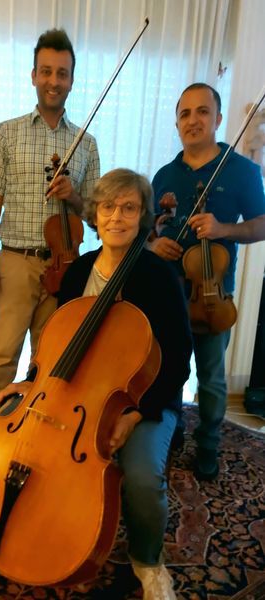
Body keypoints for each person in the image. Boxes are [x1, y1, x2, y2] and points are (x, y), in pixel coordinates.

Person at [0, 169, 192, 600]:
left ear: (142, 217)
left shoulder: (159, 276)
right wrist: (31, 382)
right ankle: (46, 525)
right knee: (24, 439)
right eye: (108, 207)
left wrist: (138, 413)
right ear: (95, 215)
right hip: (76, 391)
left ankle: (148, 561)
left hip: (142, 396)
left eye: (129, 208)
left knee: (142, 477)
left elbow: (179, 359)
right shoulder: (79, 271)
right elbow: (58, 340)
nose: (116, 217)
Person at [0, 28, 100, 419]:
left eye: (62, 73)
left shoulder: (86, 143)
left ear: (72, 80)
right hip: (16, 260)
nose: (53, 81)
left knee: (50, 361)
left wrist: (73, 196)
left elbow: (95, 214)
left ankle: (35, 436)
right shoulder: (7, 131)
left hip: (65, 267)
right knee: (2, 358)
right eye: (46, 71)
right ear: (33, 75)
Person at [150, 83, 265, 481]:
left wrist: (223, 229)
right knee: (168, 371)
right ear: (177, 123)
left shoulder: (243, 171)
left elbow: (262, 224)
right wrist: (155, 243)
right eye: (185, 113)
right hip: (169, 294)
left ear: (217, 118)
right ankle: (170, 433)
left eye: (202, 111)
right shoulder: (165, 175)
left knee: (212, 379)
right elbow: (150, 228)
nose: (193, 120)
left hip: (213, 295)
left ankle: (209, 446)